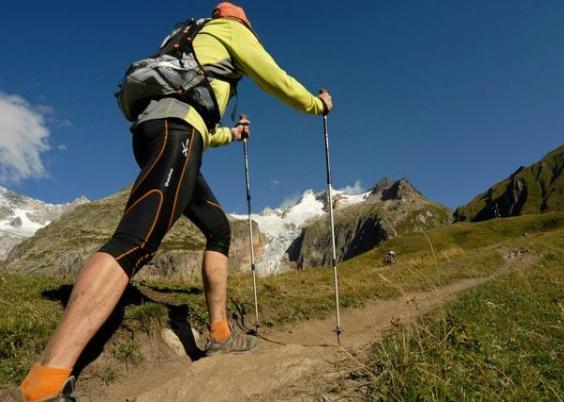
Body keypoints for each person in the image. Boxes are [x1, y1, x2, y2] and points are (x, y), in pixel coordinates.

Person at [19, 2, 333, 401]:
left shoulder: (190, 37)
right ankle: (44, 383)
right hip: (177, 132)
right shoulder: (233, 32)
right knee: (135, 240)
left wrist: (231, 136)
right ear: (241, 22)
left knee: (218, 228)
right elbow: (276, 79)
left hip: (168, 130)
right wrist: (316, 103)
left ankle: (219, 334)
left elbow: (199, 117)